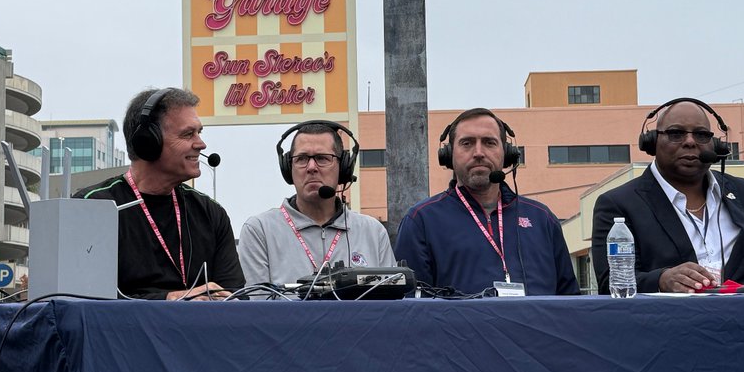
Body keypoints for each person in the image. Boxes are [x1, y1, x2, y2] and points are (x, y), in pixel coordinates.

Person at [590, 97, 744, 294]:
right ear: (652, 142)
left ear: (717, 145)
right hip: (670, 328)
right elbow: (611, 283)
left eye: (701, 135)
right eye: (676, 133)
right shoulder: (618, 204)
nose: (690, 142)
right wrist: (662, 280)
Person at [80, 87, 244, 299]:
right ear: (148, 142)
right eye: (187, 134)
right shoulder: (92, 207)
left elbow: (236, 299)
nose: (201, 144)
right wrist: (170, 300)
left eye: (199, 132)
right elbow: (84, 300)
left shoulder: (212, 214)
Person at [395, 108, 579, 296]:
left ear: (506, 153)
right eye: (467, 143)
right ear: (448, 155)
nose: (478, 152)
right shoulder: (421, 221)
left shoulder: (542, 218)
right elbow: (411, 309)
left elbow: (570, 300)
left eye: (489, 143)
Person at [239, 120, 396, 290]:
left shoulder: (373, 232)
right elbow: (257, 309)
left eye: (322, 158)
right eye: (302, 159)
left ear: (343, 167)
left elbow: (390, 304)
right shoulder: (259, 230)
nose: (311, 167)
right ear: (288, 168)